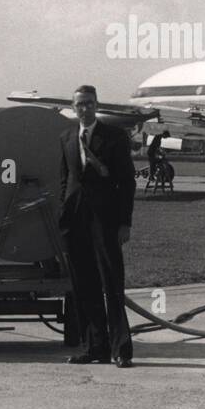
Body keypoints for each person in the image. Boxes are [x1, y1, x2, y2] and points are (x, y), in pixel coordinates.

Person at [59, 84, 137, 367]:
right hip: (75, 221)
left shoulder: (114, 137)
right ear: (73, 106)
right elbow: (65, 179)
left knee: (112, 285)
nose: (85, 108)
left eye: (90, 103)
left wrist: (124, 223)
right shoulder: (67, 137)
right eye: (80, 104)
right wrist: (63, 214)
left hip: (105, 222)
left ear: (97, 105)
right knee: (84, 286)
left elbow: (127, 182)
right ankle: (95, 347)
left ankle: (121, 350)